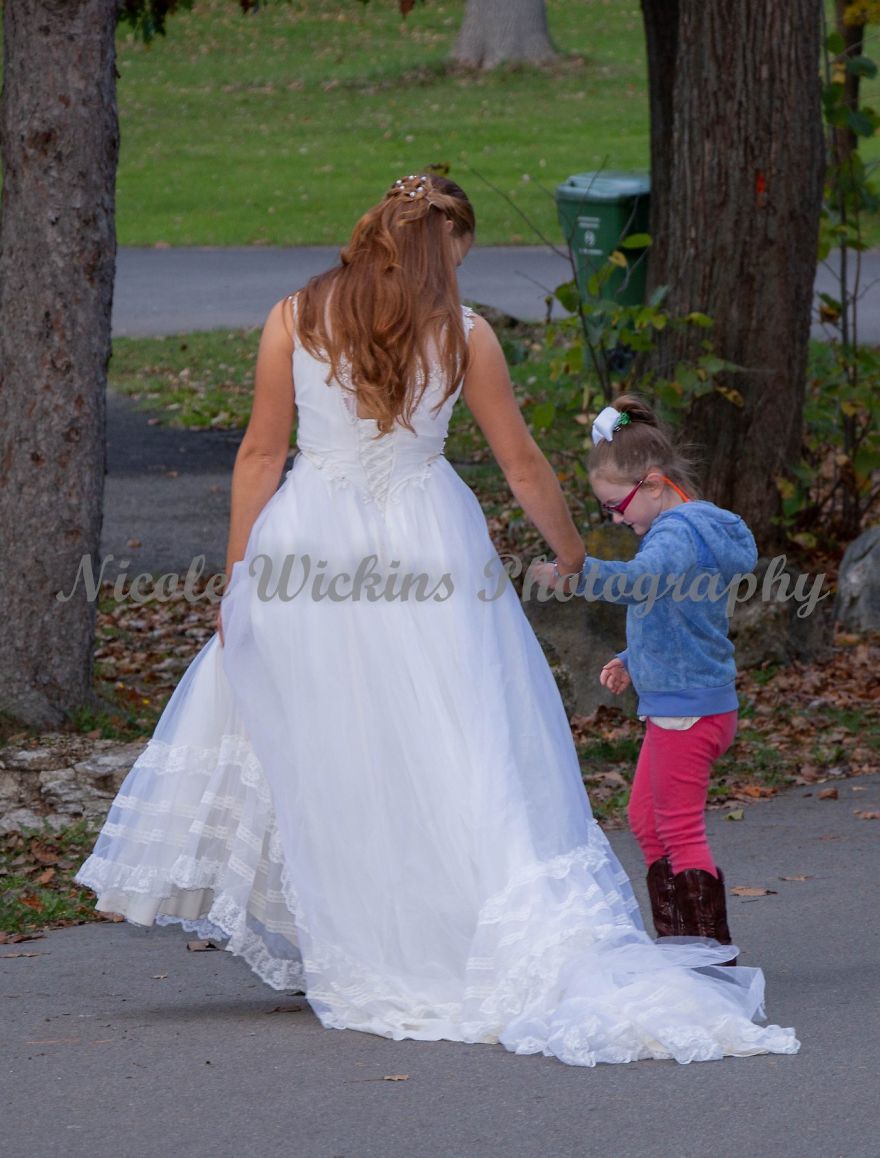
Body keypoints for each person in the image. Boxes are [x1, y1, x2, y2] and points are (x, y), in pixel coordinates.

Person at [75, 175, 798, 1066]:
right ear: (440, 245)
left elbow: (260, 454)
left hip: (310, 545)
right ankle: (433, 924)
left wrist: (237, 579)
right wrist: (571, 552)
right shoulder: (464, 334)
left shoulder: (294, 317)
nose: (458, 271)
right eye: (459, 254)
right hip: (429, 544)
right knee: (453, 733)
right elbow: (520, 461)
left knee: (336, 739)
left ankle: (376, 932)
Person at [552, 396, 756, 962]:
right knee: (646, 819)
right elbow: (677, 617)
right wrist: (631, 656)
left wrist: (577, 572)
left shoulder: (674, 535)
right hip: (685, 701)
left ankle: (710, 957)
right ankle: (681, 942)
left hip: (688, 709)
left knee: (678, 826)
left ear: (655, 483)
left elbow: (640, 584)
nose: (617, 519)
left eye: (616, 506)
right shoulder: (689, 532)